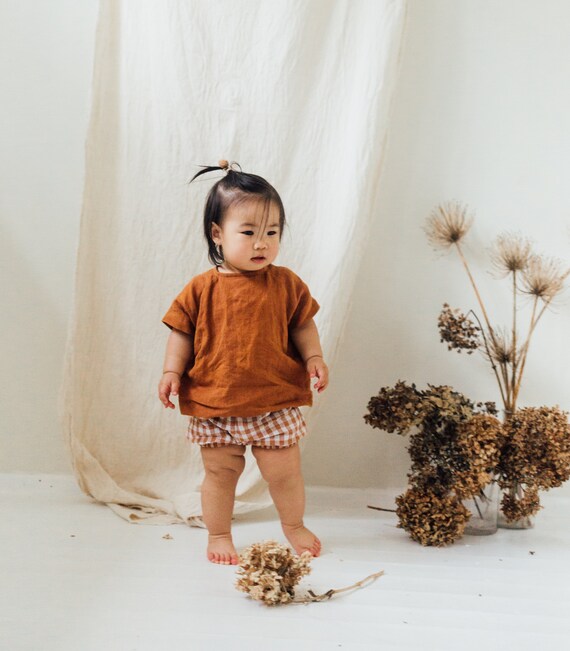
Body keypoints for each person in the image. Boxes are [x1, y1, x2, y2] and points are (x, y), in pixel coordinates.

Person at [158, 160, 329, 565]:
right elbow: (180, 333)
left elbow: (303, 325)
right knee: (220, 475)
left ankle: (294, 524)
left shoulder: (286, 283)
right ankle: (218, 533)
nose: (261, 244)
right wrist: (171, 372)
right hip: (216, 403)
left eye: (272, 233)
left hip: (274, 400)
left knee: (284, 473)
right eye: (248, 232)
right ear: (218, 235)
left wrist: (315, 357)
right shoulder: (201, 288)